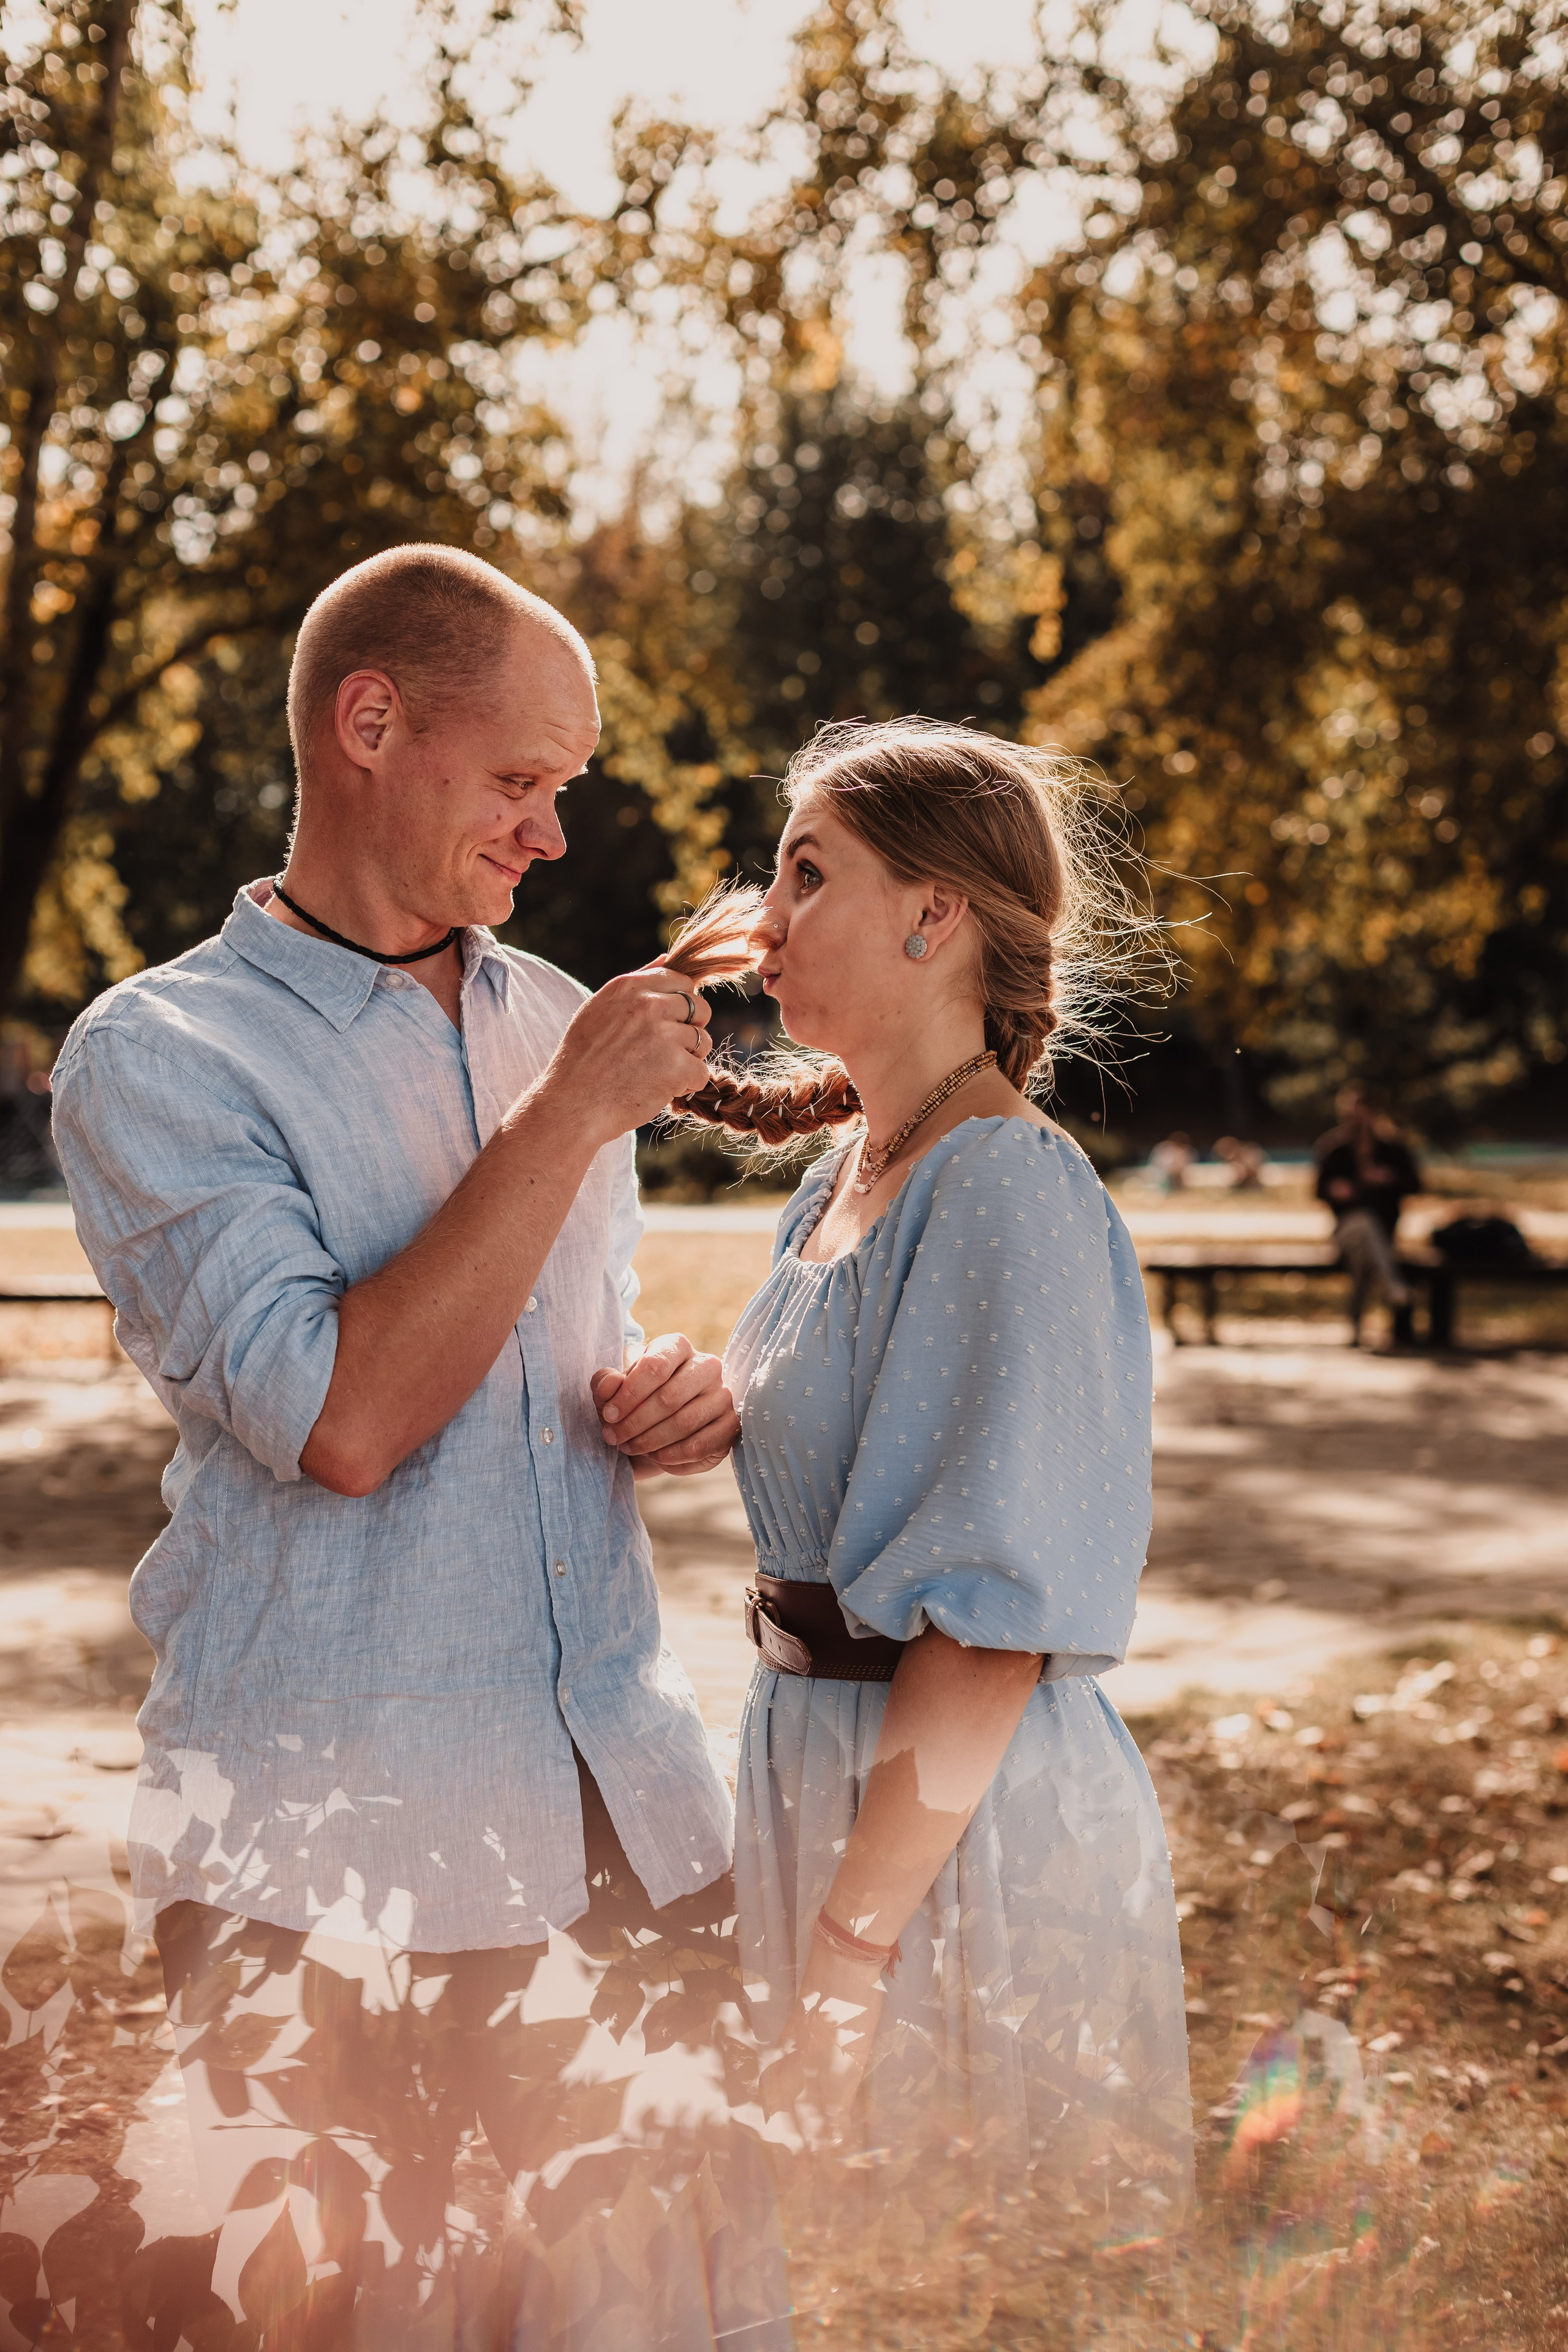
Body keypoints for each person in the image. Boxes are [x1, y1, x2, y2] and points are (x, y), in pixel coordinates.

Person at [50, 545, 787, 2348]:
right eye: (520, 780)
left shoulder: (555, 1024)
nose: (549, 835)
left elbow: (542, 1356)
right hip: (327, 1860)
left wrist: (657, 1397)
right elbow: (348, 1419)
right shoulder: (156, 1053)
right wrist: (572, 1110)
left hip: (626, 1808)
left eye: (565, 789)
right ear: (368, 723)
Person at [597, 720, 1193, 2295]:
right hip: (825, 1793)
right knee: (851, 2280)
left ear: (934, 915)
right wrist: (702, 1408)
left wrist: (846, 1970)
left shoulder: (997, 1182)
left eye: (806, 872)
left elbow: (987, 1633)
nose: (762, 915)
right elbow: (858, 1460)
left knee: (963, 2286)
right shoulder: (848, 1170)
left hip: (952, 1835)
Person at [1313, 1084, 1423, 1342]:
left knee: (1364, 1255)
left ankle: (1355, 1330)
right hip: (1346, 1231)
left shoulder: (1393, 1149)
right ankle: (1394, 1287)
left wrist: (1389, 1178)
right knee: (1363, 1223)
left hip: (1383, 1236)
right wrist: (1336, 1191)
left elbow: (1415, 1185)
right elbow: (1319, 1191)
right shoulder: (1334, 1148)